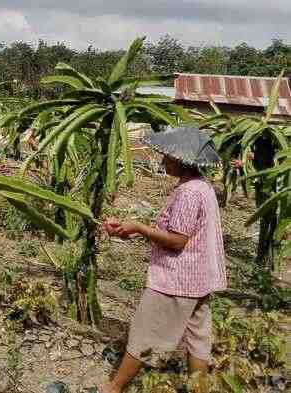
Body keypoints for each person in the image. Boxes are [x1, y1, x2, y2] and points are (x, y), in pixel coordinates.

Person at [98, 126, 227, 393]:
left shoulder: (188, 193)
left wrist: (139, 227)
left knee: (143, 336)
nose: (162, 160)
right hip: (199, 279)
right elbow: (180, 234)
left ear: (182, 160)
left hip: (176, 279)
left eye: (167, 156)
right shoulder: (204, 187)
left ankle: (113, 389)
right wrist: (130, 229)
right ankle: (198, 388)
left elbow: (178, 241)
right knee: (197, 339)